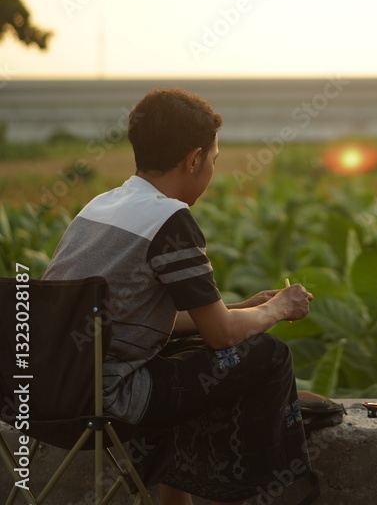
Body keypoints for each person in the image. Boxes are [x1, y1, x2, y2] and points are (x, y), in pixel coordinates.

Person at [43, 87, 318, 505]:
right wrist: (279, 308)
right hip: (106, 401)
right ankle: (270, 494)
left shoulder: (99, 206)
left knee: (184, 358)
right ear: (194, 159)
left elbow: (135, 319)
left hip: (42, 396)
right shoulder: (169, 218)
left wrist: (244, 308)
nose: (212, 170)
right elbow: (222, 336)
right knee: (268, 353)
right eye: (214, 160)